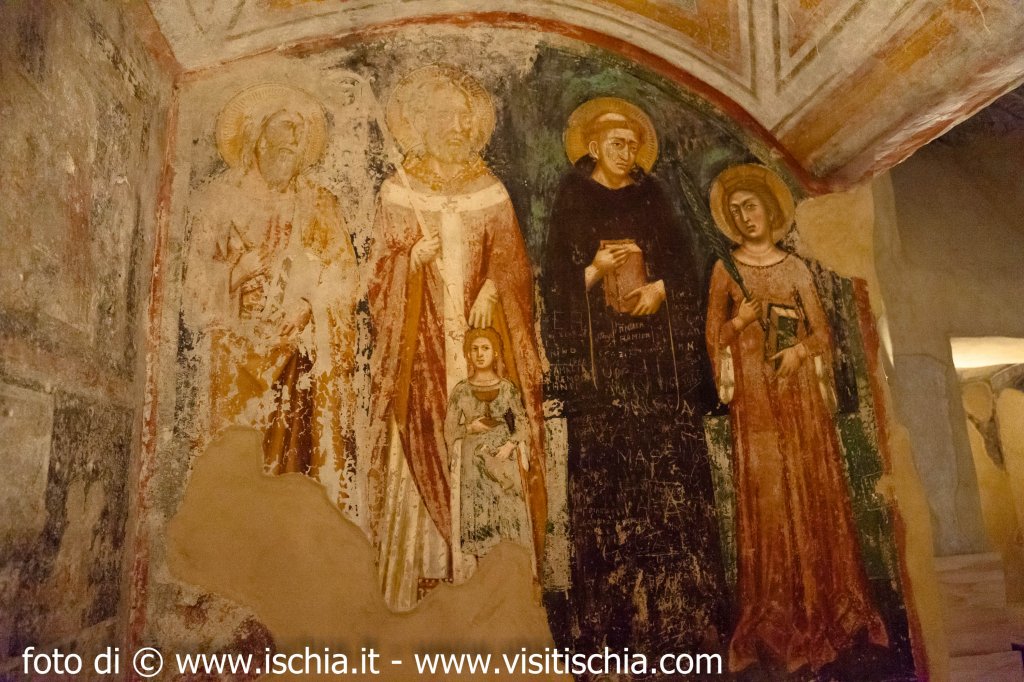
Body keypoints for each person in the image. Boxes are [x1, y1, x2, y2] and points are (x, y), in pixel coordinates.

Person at [541, 97, 728, 669]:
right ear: (594, 147)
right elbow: (555, 287)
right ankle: (609, 633)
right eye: (616, 144)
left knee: (672, 490)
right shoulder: (572, 199)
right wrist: (595, 270)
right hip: (601, 376)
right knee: (606, 494)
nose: (626, 153)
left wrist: (660, 289)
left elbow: (687, 267)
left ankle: (685, 624)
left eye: (632, 144)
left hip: (659, 371)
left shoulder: (654, 197)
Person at [366, 65, 545, 611]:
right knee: (422, 436)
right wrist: (411, 261)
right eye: (446, 117)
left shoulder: (490, 191)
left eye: (465, 119)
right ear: (422, 123)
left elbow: (514, 267)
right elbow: (377, 275)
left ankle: (487, 577)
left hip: (480, 349)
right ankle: (423, 577)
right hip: (421, 354)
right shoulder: (398, 190)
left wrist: (492, 285)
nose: (458, 128)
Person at [704, 164, 889, 673]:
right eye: (735, 211)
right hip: (756, 402)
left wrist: (799, 353)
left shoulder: (796, 268)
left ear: (770, 210)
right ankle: (774, 611)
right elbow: (713, 337)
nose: (745, 217)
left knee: (811, 486)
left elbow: (822, 332)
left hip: (799, 394)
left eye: (751, 206)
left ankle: (828, 602)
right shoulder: (725, 270)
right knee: (768, 498)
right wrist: (739, 321)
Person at [185, 83, 359, 512]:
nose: (294, 141)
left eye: (301, 133)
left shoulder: (320, 203)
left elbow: (344, 274)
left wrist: (307, 307)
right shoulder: (219, 200)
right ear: (258, 136)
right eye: (285, 128)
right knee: (236, 465)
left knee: (294, 469)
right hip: (234, 357)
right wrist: (236, 275)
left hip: (297, 357)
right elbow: (194, 285)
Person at [444, 327, 533, 568]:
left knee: (507, 522)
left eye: (485, 348)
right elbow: (449, 430)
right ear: (468, 354)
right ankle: (484, 579)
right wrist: (469, 428)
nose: (480, 354)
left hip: (504, 463)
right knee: (481, 525)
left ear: (495, 353)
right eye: (474, 349)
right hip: (474, 467)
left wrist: (510, 445)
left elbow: (523, 424)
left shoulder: (507, 388)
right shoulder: (461, 391)